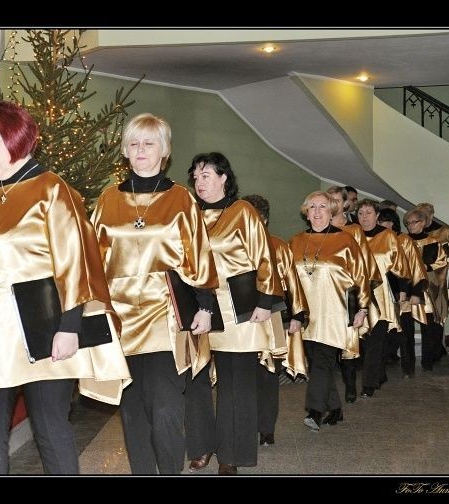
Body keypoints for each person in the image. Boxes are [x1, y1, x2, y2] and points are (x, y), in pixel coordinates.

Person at [0, 100, 130, 474]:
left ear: (17, 137)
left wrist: (70, 326)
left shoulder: (52, 189)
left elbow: (75, 261)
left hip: (43, 328)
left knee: (50, 430)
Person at [91, 113, 218, 475]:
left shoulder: (181, 198)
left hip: (166, 316)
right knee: (133, 411)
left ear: (164, 150)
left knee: (165, 409)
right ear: (125, 150)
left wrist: (206, 305)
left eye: (149, 143)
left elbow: (199, 253)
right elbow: (92, 260)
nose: (141, 149)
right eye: (133, 143)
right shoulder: (108, 199)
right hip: (120, 318)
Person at [184, 154, 285, 475]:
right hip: (197, 309)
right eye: (195, 177)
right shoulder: (189, 215)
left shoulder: (242, 211)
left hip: (237, 310)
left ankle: (231, 454)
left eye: (206, 175)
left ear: (224, 178)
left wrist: (265, 301)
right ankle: (201, 446)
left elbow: (264, 256)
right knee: (195, 380)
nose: (199, 182)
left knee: (235, 385)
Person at [290, 191, 371, 430]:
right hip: (306, 313)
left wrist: (362, 308)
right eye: (312, 206)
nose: (317, 211)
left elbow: (361, 276)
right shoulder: (295, 241)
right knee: (317, 363)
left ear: (331, 211)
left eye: (323, 206)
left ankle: (315, 411)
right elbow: (288, 278)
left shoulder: (346, 240)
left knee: (323, 361)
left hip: (335, 313)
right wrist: (292, 312)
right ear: (306, 212)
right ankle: (335, 408)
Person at [242, 194, 308, 448]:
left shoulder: (279, 246)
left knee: (270, 374)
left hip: (274, 318)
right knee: (243, 375)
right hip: (241, 320)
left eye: (255, 217)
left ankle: (266, 429)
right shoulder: (234, 245)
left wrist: (297, 316)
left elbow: (292, 281)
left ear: (265, 220)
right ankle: (245, 425)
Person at [326, 186, 381, 402]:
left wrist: (362, 297)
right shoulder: (319, 229)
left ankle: (350, 386)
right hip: (325, 294)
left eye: (337, 201)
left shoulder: (355, 231)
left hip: (349, 292)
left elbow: (365, 264)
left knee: (350, 342)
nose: (333, 205)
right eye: (329, 200)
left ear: (345, 204)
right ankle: (327, 390)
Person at [355, 199, 414, 394]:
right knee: (364, 340)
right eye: (360, 213)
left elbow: (400, 264)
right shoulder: (352, 235)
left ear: (377, 216)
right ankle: (378, 374)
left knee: (377, 338)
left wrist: (403, 291)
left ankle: (369, 384)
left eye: (369, 213)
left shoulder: (388, 236)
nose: (364, 217)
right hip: (357, 295)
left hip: (381, 296)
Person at [377, 208, 429, 379]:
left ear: (392, 223)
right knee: (382, 334)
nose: (379, 224)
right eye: (378, 221)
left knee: (405, 335)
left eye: (383, 221)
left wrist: (415, 292)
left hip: (403, 294)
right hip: (382, 294)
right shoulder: (377, 240)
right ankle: (380, 370)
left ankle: (408, 368)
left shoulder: (404, 240)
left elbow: (416, 267)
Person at [404, 208, 449, 371]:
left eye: (414, 222)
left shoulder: (433, 242)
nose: (410, 225)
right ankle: (407, 364)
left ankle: (427, 361)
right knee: (406, 327)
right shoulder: (402, 241)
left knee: (428, 327)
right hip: (407, 289)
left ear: (423, 223)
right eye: (408, 223)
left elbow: (442, 263)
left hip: (427, 290)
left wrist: (426, 267)